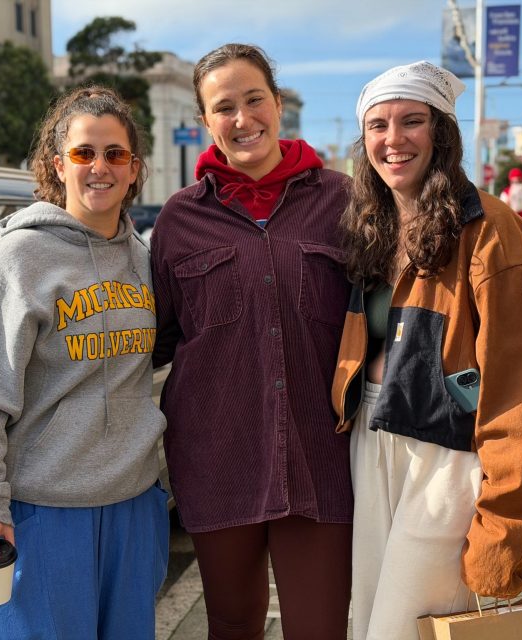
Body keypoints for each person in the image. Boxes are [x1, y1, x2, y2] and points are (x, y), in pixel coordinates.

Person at [332, 61, 522, 640]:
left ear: (441, 131)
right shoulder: (374, 227)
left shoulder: (491, 232)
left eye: (411, 121)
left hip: (446, 455)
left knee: (409, 627)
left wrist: (504, 537)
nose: (393, 139)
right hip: (373, 436)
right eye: (378, 126)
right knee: (371, 621)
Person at [0, 86, 169, 639]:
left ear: (134, 169)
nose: (99, 167)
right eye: (83, 152)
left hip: (135, 505)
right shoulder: (14, 262)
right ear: (57, 164)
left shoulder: (144, 260)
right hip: (43, 511)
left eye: (115, 154)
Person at [151, 43, 353, 639]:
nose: (243, 119)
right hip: (218, 459)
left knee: (318, 629)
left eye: (254, 99)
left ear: (278, 103)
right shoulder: (178, 221)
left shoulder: (343, 200)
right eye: (224, 107)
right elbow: (157, 340)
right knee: (233, 625)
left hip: (322, 456)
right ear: (204, 121)